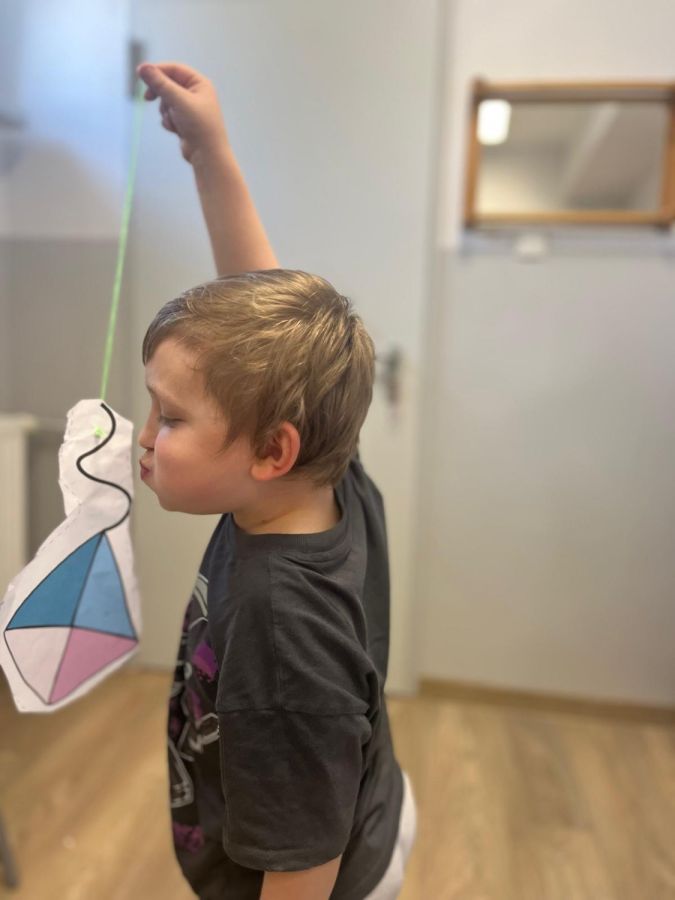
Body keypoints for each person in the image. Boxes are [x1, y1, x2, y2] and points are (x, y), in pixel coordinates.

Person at [136, 61, 417, 900]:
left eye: (169, 418)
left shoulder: (281, 636)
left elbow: (301, 862)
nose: (143, 436)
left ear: (271, 450)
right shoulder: (327, 472)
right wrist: (208, 152)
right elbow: (256, 307)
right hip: (375, 801)